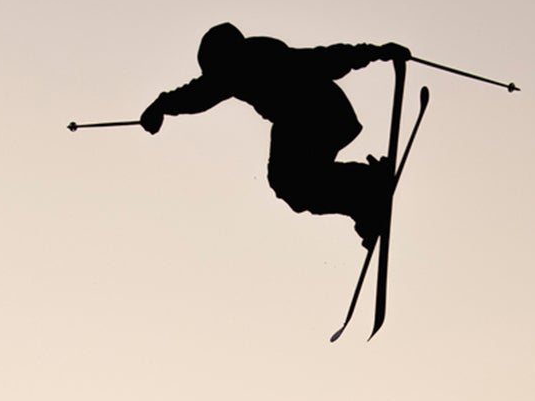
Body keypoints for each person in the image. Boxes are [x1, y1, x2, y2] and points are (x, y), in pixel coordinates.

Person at [139, 23, 410, 248]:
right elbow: (200, 93)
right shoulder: (247, 63)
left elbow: (324, 59)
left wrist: (375, 52)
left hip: (311, 116)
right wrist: (375, 52)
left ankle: (367, 185)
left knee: (289, 181)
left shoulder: (256, 61)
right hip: (321, 120)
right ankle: (363, 201)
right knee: (301, 184)